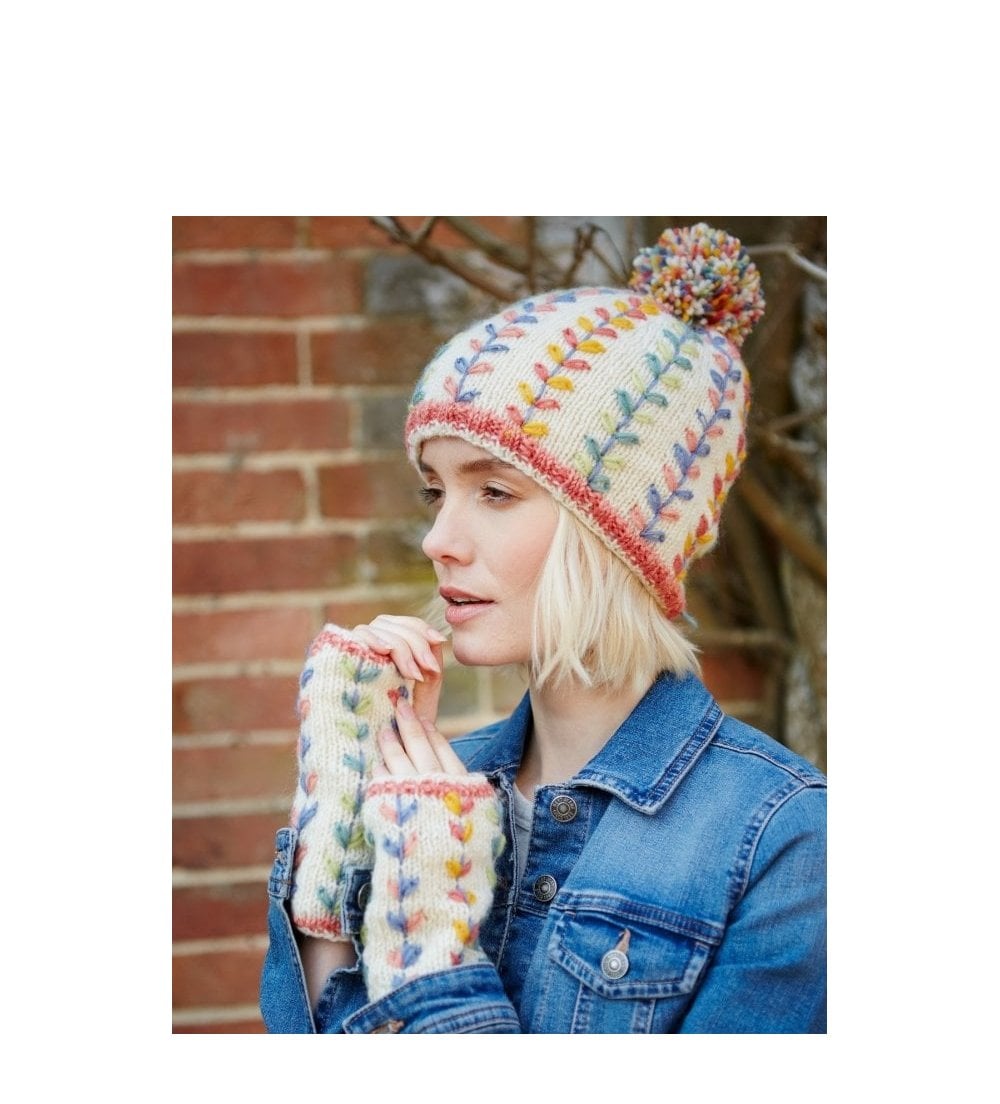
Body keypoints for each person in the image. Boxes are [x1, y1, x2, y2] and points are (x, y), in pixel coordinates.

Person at [259, 222, 826, 1034]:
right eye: (435, 491)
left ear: (617, 533)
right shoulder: (431, 796)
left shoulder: (781, 838)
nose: (438, 539)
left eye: (494, 491)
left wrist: (432, 947)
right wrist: (338, 831)